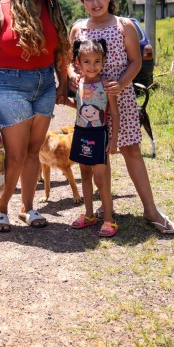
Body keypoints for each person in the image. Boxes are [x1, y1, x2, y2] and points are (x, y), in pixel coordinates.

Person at [67, 0, 174, 234]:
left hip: (122, 99)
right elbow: (69, 62)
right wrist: (73, 76)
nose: (95, 3)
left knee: (131, 151)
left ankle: (151, 210)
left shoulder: (124, 25)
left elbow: (136, 61)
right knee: (98, 157)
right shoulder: (78, 30)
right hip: (91, 105)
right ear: (83, 2)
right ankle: (105, 211)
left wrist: (120, 83)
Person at [0, 0, 72, 232]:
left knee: (35, 152)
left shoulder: (50, 9)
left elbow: (60, 52)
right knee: (16, 154)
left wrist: (62, 84)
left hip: (44, 84)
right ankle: (1, 208)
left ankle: (28, 208)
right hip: (9, 86)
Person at [62, 39, 120, 237]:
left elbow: (114, 113)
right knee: (84, 175)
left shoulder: (106, 85)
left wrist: (113, 141)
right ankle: (89, 215)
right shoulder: (78, 83)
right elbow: (79, 107)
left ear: (103, 61)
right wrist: (64, 101)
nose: (92, 66)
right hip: (80, 133)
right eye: (87, 62)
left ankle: (109, 219)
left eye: (97, 61)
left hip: (98, 135)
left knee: (100, 179)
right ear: (78, 62)